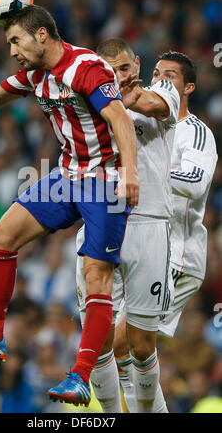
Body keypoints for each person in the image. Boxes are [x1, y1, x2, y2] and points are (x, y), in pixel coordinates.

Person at [0, 4, 139, 407]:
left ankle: (80, 377)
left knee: (97, 278)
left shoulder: (87, 68)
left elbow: (121, 121)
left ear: (42, 35)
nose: (11, 51)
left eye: (15, 40)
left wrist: (129, 174)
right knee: (0, 235)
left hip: (104, 181)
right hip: (67, 175)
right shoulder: (34, 75)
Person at [75, 39, 180, 413]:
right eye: (109, 71)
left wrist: (108, 92)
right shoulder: (87, 100)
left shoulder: (162, 88)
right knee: (98, 337)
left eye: (124, 68)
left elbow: (148, 104)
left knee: (140, 343)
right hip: (100, 218)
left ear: (137, 63)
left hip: (149, 223)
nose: (119, 76)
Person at [113, 51, 218, 413]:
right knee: (129, 349)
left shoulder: (197, 133)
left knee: (121, 342)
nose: (160, 79)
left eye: (170, 76)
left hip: (179, 253)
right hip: (145, 246)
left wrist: (152, 176)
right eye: (156, 72)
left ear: (188, 87)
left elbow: (197, 181)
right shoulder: (143, 125)